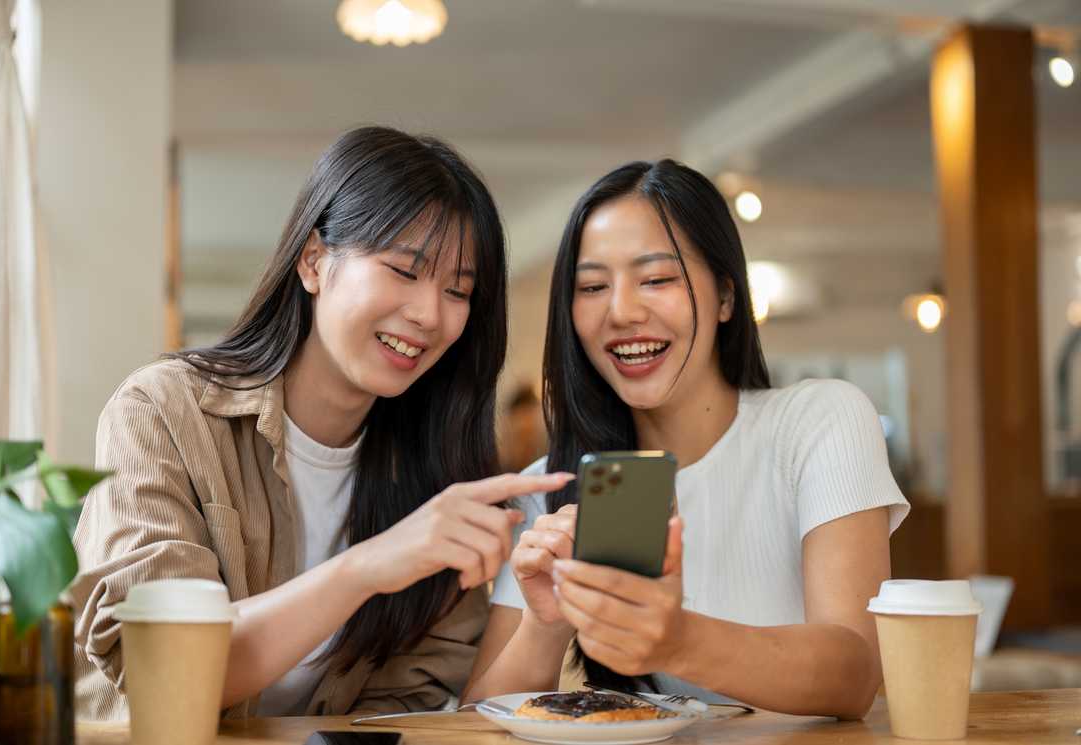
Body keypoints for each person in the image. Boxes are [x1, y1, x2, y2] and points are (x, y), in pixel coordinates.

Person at [71, 126, 573, 720]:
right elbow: (157, 668)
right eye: (404, 271)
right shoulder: (163, 413)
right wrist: (367, 567)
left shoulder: (434, 469)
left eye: (458, 290)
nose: (429, 315)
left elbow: (405, 714)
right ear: (314, 261)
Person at [463, 159, 909, 719]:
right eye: (593, 286)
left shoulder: (818, 422)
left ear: (725, 296)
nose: (622, 311)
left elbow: (855, 672)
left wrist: (676, 639)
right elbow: (475, 720)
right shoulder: (550, 485)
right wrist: (546, 624)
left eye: (657, 279)